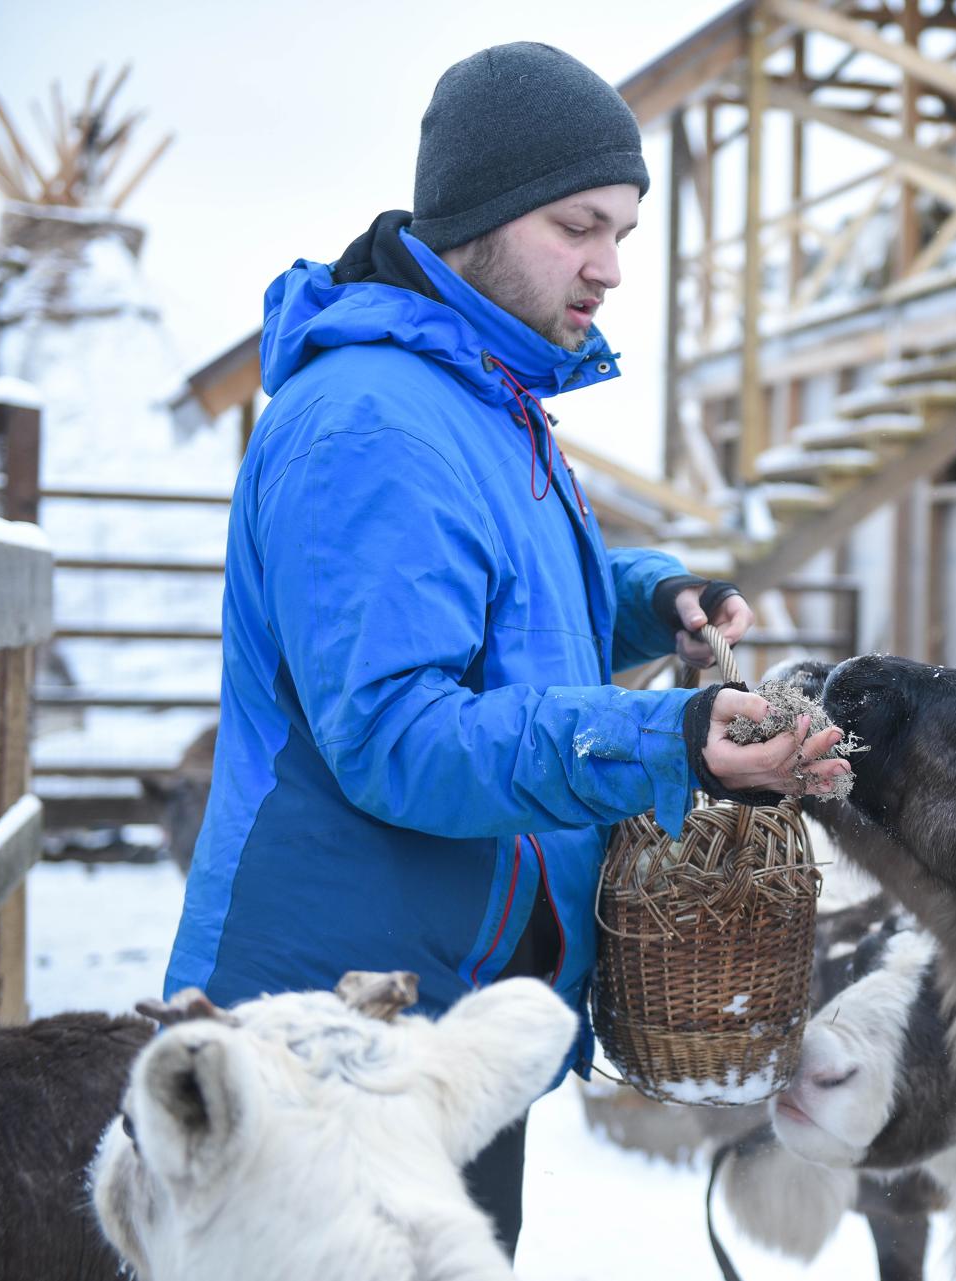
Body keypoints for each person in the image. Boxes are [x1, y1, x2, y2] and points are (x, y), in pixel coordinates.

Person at [164, 42, 849, 1255]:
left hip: (447, 1015)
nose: (610, 266)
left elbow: (509, 605)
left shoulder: (487, 397)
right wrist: (670, 735)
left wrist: (654, 599)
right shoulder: (374, 423)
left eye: (624, 229)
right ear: (479, 217)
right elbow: (398, 736)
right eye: (579, 225)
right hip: (322, 1037)